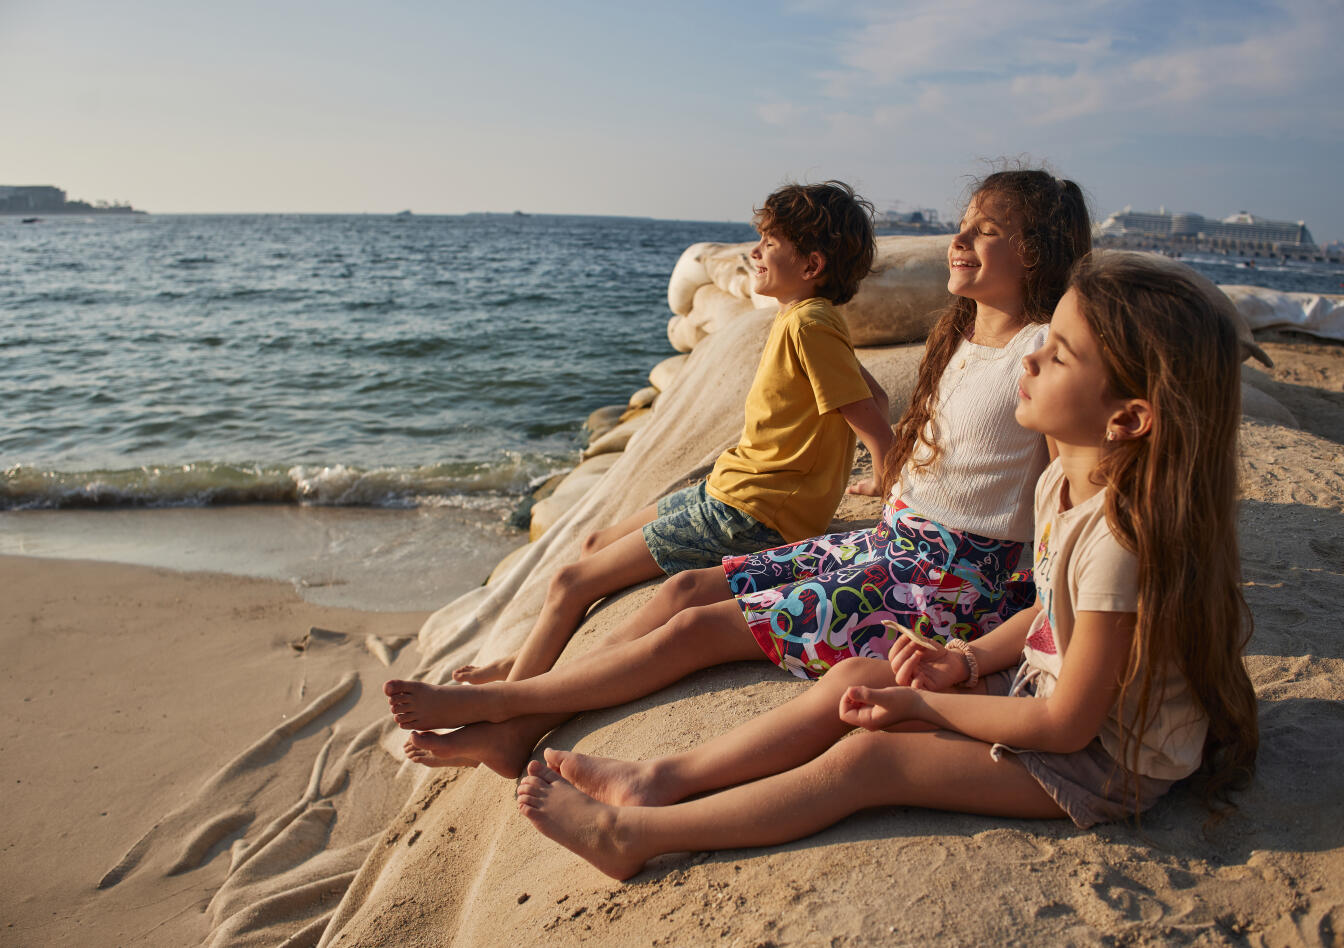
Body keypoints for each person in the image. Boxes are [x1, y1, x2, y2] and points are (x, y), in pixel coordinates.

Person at [514, 250, 1260, 880]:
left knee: (872, 760)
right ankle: (657, 779)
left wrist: (925, 707)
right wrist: (962, 662)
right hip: (1047, 690)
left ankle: (633, 838)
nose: (1029, 355)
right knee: (856, 675)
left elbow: (1066, 726)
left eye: (1058, 353)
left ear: (1128, 417)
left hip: (1106, 759)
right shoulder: (1061, 480)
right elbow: (1046, 616)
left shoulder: (1124, 544)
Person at [385, 169, 1093, 779]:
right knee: (685, 591)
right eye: (962, 226)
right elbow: (931, 442)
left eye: (985, 230)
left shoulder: (1040, 357)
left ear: (1034, 253)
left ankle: (508, 707)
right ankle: (519, 724)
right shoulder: (958, 335)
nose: (959, 240)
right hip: (889, 546)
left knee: (694, 632)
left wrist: (1005, 639)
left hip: (945, 588)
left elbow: (1066, 493)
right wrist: (892, 481)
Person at [447, 180, 891, 688]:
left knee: (570, 582)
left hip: (751, 514)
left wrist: (885, 484)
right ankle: (527, 662)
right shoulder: (804, 317)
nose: (754, 251)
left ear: (811, 266)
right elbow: (873, 396)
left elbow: (873, 423)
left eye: (770, 243)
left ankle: (512, 704)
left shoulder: (810, 324)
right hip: (733, 488)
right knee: (594, 544)